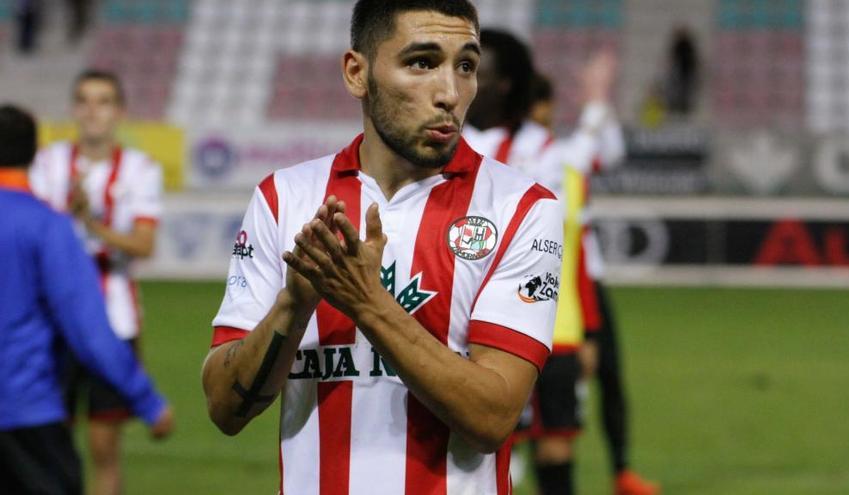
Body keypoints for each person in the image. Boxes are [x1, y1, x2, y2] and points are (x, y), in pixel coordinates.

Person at [201, 1, 563, 493]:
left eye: (466, 66)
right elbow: (225, 408)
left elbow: (492, 418)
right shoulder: (283, 198)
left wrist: (366, 301)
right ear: (357, 73)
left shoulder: (521, 208)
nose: (450, 93)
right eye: (422, 62)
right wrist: (293, 305)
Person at [463, 29, 659, 495]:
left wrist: (588, 327)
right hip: (479, 320)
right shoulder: (457, 144)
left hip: (557, 319)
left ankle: (621, 468)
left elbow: (565, 245)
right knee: (486, 444)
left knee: (556, 442)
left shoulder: (547, 154)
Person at [0, 104, 173, 495]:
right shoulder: (46, 227)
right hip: (25, 413)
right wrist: (147, 401)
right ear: (32, 155)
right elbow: (87, 328)